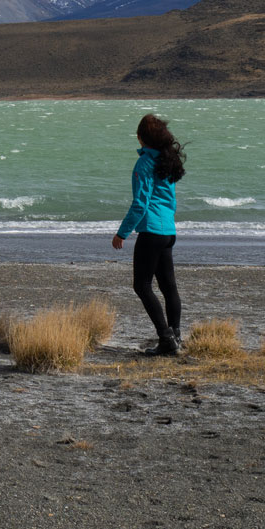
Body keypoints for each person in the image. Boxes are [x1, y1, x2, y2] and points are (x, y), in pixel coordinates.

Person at [112, 113, 186, 356]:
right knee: (168, 287)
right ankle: (175, 338)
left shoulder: (145, 163)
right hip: (168, 231)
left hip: (152, 231)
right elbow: (170, 200)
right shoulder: (167, 160)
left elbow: (140, 203)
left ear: (142, 138)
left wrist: (122, 233)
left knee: (142, 285)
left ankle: (166, 339)